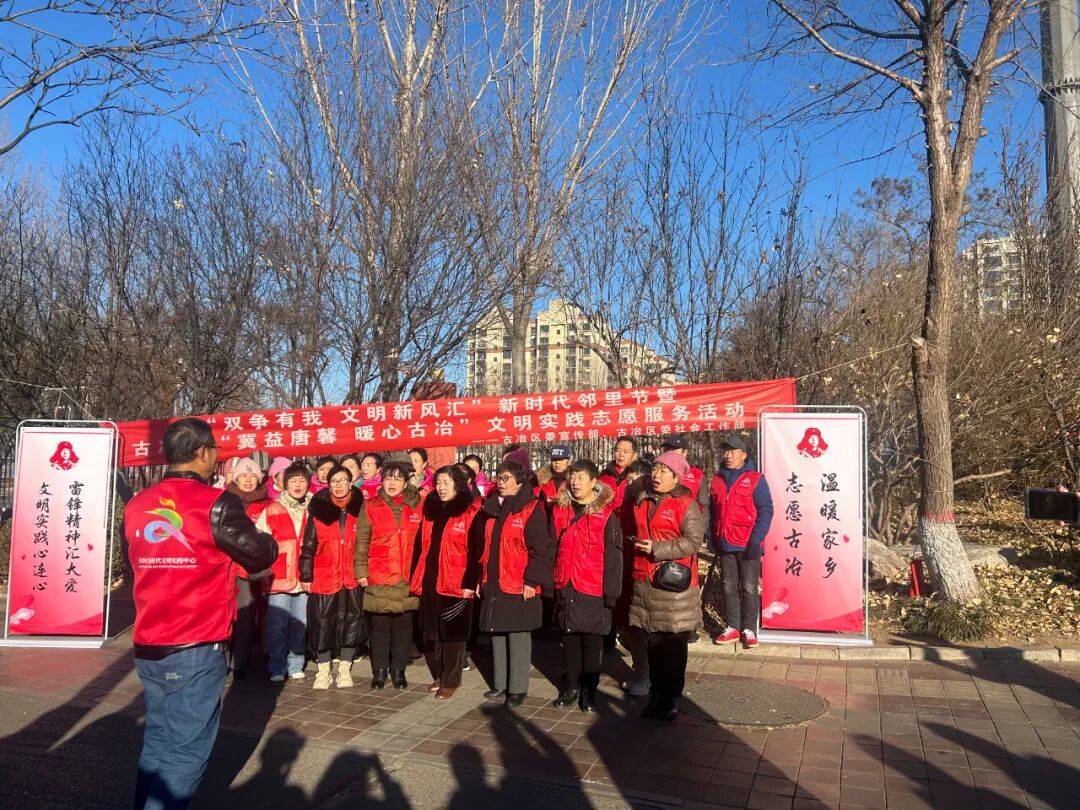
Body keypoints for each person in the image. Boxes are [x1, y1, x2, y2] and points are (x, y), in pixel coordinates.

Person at [125, 418, 276, 809]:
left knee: (159, 740)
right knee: (185, 752)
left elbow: (133, 565)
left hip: (148, 641)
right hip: (194, 641)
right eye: (215, 452)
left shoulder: (138, 504)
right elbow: (257, 554)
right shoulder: (216, 502)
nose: (216, 459)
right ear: (203, 453)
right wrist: (267, 538)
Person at [463, 458, 554, 708]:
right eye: (499, 478)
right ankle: (501, 683)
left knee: (518, 634)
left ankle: (518, 688)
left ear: (520, 482)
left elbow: (540, 550)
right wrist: (480, 578)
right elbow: (483, 548)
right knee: (498, 632)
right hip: (494, 579)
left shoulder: (531, 509)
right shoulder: (491, 508)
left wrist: (531, 580)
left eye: (506, 478)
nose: (501, 483)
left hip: (519, 581)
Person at [629, 451, 703, 721]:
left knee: (673, 647)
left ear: (676, 477)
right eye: (655, 469)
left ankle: (671, 698)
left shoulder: (686, 504)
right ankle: (656, 695)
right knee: (652, 643)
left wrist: (657, 548)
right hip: (646, 581)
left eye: (663, 471)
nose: (656, 475)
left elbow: (694, 541)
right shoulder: (643, 499)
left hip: (673, 586)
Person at [550, 461, 622, 713]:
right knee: (569, 637)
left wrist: (611, 594)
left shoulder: (607, 515)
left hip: (593, 585)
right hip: (565, 581)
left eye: (581, 477)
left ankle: (589, 692)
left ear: (594, 482)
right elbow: (551, 547)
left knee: (592, 640)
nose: (575, 482)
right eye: (573, 477)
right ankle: (571, 687)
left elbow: (614, 557)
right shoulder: (560, 509)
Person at [409, 465, 481, 699]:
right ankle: (440, 675)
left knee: (453, 633)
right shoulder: (430, 510)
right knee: (436, 632)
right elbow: (420, 545)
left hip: (456, 580)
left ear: (457, 485)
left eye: (446, 483)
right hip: (431, 578)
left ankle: (451, 680)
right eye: (438, 482)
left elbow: (477, 551)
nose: (441, 487)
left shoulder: (470, 513)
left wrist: (470, 582)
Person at [353, 459, 423, 689]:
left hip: (407, 575)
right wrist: (361, 571)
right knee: (380, 626)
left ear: (406, 482)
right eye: (388, 478)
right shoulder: (370, 505)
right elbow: (361, 541)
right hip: (379, 573)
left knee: (404, 626)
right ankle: (380, 670)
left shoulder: (417, 505)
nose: (392, 483)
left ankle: (399, 670)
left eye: (398, 479)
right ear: (381, 481)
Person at [702, 434, 774, 648]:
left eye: (732, 451)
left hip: (748, 544)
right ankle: (732, 627)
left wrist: (756, 540)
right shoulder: (717, 479)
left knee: (749, 587)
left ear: (743, 454)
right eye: (725, 451)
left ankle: (749, 629)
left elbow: (766, 510)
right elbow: (713, 511)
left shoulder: (756, 479)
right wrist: (712, 536)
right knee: (728, 586)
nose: (728, 455)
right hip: (725, 543)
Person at [299, 463, 365, 689]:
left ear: (351, 483)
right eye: (334, 481)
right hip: (325, 575)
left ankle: (345, 668)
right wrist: (306, 575)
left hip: (352, 576)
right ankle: (323, 669)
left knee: (352, 620)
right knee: (323, 621)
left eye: (343, 481)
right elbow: (308, 546)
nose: (339, 485)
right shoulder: (318, 512)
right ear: (328, 485)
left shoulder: (360, 510)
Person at [256, 462, 312, 682]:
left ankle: (296, 663)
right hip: (278, 577)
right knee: (277, 625)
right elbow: (260, 542)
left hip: (304, 577)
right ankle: (277, 665)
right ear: (284, 484)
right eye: (293, 480)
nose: (298, 485)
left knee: (300, 624)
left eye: (302, 480)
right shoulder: (272, 509)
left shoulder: (313, 508)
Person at [227, 457, 273, 679]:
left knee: (249, 615)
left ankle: (241, 662)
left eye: (252, 475)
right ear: (235, 479)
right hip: (226, 567)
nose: (248, 479)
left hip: (252, 570)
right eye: (243, 476)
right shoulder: (225, 501)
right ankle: (223, 657)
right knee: (227, 615)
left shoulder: (267, 505)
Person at [614, 459, 652, 696]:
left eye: (632, 479)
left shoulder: (648, 502)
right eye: (627, 479)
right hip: (627, 567)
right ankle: (641, 672)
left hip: (647, 570)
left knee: (642, 628)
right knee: (631, 625)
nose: (628, 483)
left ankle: (646, 675)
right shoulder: (628, 502)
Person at [599, 436, 640, 509]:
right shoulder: (605, 475)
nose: (621, 454)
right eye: (618, 450)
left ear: (634, 456)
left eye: (626, 452)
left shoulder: (638, 477)